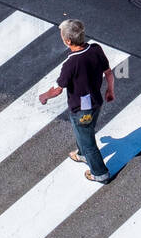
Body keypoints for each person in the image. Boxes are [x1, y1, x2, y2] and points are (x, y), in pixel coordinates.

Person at [38, 19, 116, 183]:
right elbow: (108, 73)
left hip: (81, 109)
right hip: (96, 101)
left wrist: (44, 96)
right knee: (84, 131)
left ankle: (100, 173)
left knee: (88, 141)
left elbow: (58, 89)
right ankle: (81, 155)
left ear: (68, 41)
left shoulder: (71, 63)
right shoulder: (95, 49)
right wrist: (110, 90)